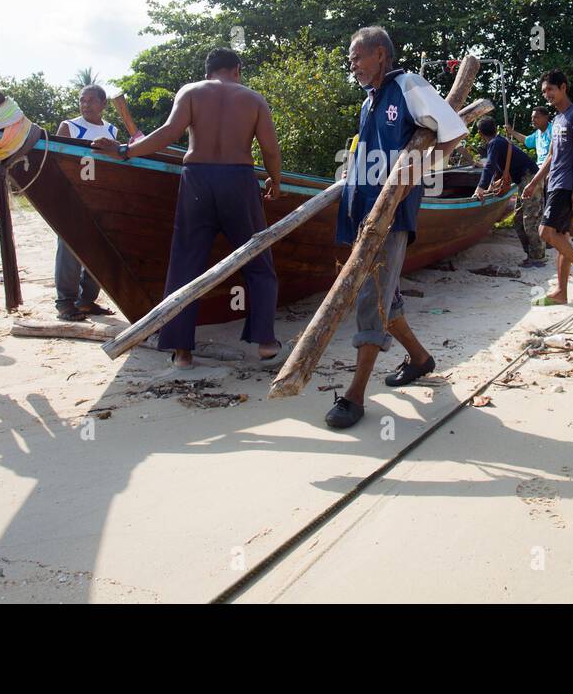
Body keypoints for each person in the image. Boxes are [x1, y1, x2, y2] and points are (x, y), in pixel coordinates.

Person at [92, 48, 282, 369]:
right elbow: (270, 148)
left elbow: (168, 133)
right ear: (236, 70)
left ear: (208, 71)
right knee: (256, 258)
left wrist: (125, 151)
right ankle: (265, 342)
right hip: (238, 180)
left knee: (185, 264)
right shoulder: (254, 99)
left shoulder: (191, 92)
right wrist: (274, 180)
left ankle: (182, 352)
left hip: (197, 180)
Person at [325, 26, 467, 430]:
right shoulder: (370, 101)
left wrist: (416, 171)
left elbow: (454, 132)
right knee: (386, 297)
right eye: (351, 58)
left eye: (358, 56)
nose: (352, 64)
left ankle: (355, 397)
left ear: (381, 55)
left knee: (370, 296)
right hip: (363, 212)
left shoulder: (408, 85)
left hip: (389, 214)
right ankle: (421, 360)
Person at [54, 84, 133, 321]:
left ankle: (87, 300)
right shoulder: (69, 126)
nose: (85, 104)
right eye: (82, 100)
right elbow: (58, 160)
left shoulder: (112, 130)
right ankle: (65, 303)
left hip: (102, 197)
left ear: (103, 104)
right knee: (70, 249)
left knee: (99, 249)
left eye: (91, 100)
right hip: (73, 195)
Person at [522, 71, 573, 305]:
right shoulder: (556, 120)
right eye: (544, 91)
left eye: (550, 90)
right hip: (553, 182)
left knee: (545, 233)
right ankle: (561, 293)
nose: (547, 95)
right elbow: (552, 155)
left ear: (563, 87)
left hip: (566, 185)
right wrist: (534, 182)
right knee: (562, 236)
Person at [473, 116, 541, 267]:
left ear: (479, 133)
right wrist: (490, 188)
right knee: (518, 221)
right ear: (496, 128)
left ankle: (538, 258)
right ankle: (531, 255)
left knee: (529, 219)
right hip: (524, 179)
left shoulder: (495, 143)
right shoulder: (498, 142)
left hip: (529, 178)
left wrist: (480, 188)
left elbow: (489, 166)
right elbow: (496, 170)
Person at [506, 107, 552, 265]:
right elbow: (526, 141)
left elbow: (555, 155)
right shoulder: (538, 134)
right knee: (540, 208)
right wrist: (511, 132)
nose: (533, 120)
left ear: (546, 117)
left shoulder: (553, 131)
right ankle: (546, 239)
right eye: (533, 117)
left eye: (536, 117)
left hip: (551, 171)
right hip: (538, 172)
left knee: (543, 209)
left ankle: (546, 241)